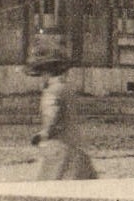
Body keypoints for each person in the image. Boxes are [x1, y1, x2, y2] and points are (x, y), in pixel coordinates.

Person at [25, 34, 97, 180]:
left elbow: (52, 116)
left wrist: (43, 134)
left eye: (42, 73)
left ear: (47, 71)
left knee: (49, 188)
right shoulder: (67, 88)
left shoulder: (52, 91)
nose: (41, 77)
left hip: (58, 149)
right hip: (75, 147)